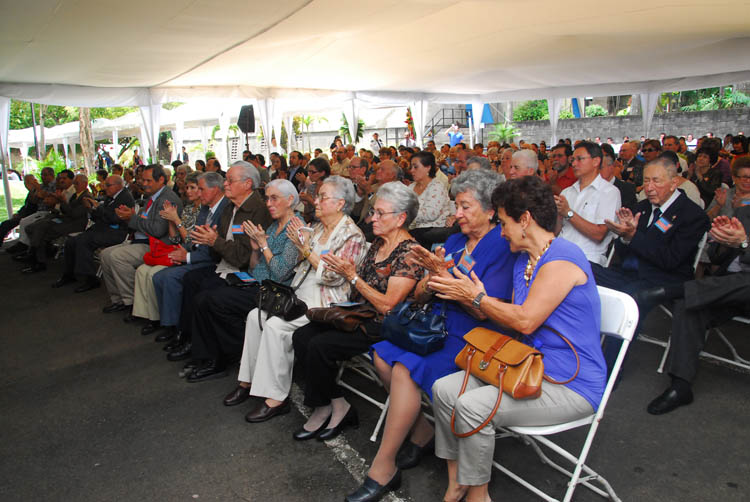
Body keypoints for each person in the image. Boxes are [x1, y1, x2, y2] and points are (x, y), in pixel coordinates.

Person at [427, 175, 607, 502]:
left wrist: (478, 298)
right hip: (524, 369)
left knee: (472, 406)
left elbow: (524, 320)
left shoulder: (562, 259)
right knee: (444, 389)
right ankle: (458, 481)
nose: (501, 229)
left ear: (525, 220)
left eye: (504, 221)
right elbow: (506, 312)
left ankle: (477, 496)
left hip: (569, 382)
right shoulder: (524, 260)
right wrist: (473, 297)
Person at [343, 170, 515, 502]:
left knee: (405, 369)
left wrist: (444, 275)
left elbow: (485, 310)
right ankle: (422, 430)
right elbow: (423, 296)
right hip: (441, 322)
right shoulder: (453, 241)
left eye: (465, 207)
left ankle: (383, 466)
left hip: (477, 333)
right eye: (456, 206)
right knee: (382, 354)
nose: (457, 214)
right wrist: (428, 278)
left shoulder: (503, 245)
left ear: (491, 210)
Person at [290, 182, 422, 440]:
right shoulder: (379, 244)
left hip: (383, 324)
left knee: (321, 345)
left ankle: (327, 408)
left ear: (401, 218)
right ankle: (334, 402)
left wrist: (351, 276)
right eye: (374, 211)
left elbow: (388, 305)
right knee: (302, 336)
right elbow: (353, 280)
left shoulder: (409, 252)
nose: (372, 217)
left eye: (380, 213)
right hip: (360, 313)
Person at [238, 176, 367, 423]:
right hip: (299, 294)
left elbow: (334, 278)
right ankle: (248, 381)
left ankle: (276, 397)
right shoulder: (316, 228)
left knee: (276, 326)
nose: (315, 201)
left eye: (322, 197)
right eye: (317, 196)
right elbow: (294, 265)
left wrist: (306, 250)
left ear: (340, 203)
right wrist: (292, 247)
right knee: (255, 316)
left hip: (324, 301)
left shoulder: (352, 236)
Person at [592, 158, 710, 369]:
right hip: (629, 272)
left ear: (674, 183)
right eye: (646, 181)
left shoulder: (692, 215)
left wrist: (634, 236)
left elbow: (670, 259)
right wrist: (624, 236)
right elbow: (623, 252)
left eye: (656, 181)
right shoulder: (642, 207)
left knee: (630, 296)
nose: (649, 187)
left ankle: (607, 371)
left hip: (665, 279)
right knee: (582, 271)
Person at [186, 179, 302, 382]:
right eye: (267, 199)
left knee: (210, 300)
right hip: (255, 282)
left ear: (290, 199)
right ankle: (221, 355)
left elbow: (281, 272)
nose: (268, 204)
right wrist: (256, 250)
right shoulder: (275, 224)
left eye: (274, 198)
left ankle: (226, 357)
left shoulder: (296, 228)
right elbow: (254, 265)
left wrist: (264, 245)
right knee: (204, 295)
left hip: (275, 291)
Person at [164, 161, 271, 362]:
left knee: (205, 294)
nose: (225, 185)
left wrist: (214, 241)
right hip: (224, 264)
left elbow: (244, 257)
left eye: (230, 180)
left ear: (247, 184)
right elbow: (219, 246)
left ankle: (212, 355)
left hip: (244, 271)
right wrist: (210, 239)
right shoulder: (230, 208)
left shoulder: (258, 210)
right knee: (191, 279)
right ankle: (189, 337)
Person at [647, 211, 750, 415]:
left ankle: (675, 290)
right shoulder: (745, 213)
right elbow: (716, 257)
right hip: (726, 286)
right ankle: (681, 386)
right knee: (689, 303)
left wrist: (744, 243)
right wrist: (723, 240)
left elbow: (743, 246)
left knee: (697, 292)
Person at [150, 172, 229, 341]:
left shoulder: (225, 209)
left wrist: (187, 257)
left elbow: (215, 247)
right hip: (196, 252)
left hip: (211, 259)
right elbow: (193, 237)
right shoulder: (206, 208)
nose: (197, 193)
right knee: (158, 277)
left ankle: (179, 329)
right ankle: (170, 323)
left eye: (200, 189)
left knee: (172, 277)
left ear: (215, 189)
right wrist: (185, 251)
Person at [99, 164, 184, 315]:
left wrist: (132, 218)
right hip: (140, 239)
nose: (144, 184)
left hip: (155, 245)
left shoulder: (168, 199)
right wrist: (130, 217)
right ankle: (118, 299)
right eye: (143, 180)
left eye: (148, 181)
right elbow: (144, 220)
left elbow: (158, 230)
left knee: (117, 257)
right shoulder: (152, 197)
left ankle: (132, 302)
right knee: (105, 255)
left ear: (161, 180)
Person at [130, 172, 202, 334]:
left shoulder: (203, 212)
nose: (187, 191)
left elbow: (190, 242)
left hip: (190, 253)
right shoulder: (189, 208)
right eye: (187, 188)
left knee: (154, 274)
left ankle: (164, 321)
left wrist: (176, 219)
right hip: (177, 248)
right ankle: (148, 316)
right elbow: (175, 238)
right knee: (142, 271)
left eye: (193, 188)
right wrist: (171, 221)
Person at [53, 175, 135, 292]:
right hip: (103, 229)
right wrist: (92, 209)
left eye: (108, 185)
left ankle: (90, 278)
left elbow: (114, 219)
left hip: (116, 232)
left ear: (118, 186)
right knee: (71, 241)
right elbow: (100, 218)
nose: (105, 188)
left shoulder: (125, 198)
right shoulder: (111, 197)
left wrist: (98, 208)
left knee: (84, 241)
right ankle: (69, 274)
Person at [555, 141, 621, 266]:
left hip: (587, 258)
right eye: (573, 159)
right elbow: (557, 231)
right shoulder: (567, 192)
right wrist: (557, 214)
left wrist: (568, 213)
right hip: (560, 253)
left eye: (580, 159)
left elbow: (599, 234)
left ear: (596, 161)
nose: (574, 164)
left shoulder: (609, 192)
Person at [22, 174, 92, 273]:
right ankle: (37, 257)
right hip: (65, 220)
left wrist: (62, 201)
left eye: (77, 183)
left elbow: (74, 214)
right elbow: (65, 211)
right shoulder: (76, 195)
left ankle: (36, 257)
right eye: (74, 183)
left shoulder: (86, 197)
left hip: (75, 225)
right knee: (37, 229)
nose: (75, 185)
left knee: (41, 231)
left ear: (85, 184)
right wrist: (58, 202)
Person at [407, 151, 455, 248]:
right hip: (414, 230)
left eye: (415, 167)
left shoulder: (436, 186)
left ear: (428, 167)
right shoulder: (411, 187)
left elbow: (430, 214)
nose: (411, 170)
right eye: (411, 167)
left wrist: (404, 215)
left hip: (432, 232)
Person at [299, 156, 331, 223]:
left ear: (323, 173)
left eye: (313, 172)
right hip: (313, 222)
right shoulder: (312, 187)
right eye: (309, 172)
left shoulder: (329, 188)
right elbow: (308, 211)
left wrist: (309, 199)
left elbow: (327, 211)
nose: (309, 175)